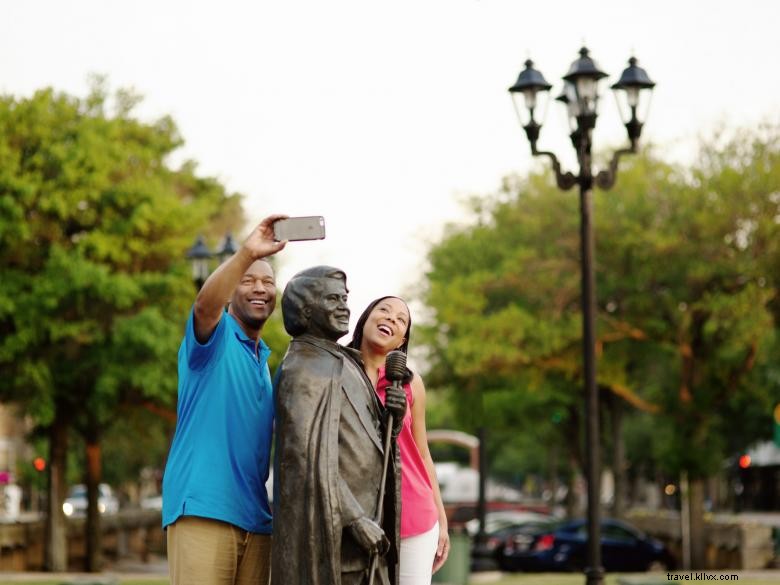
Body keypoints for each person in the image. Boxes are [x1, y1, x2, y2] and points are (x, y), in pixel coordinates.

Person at [162, 214, 287, 585]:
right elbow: (204, 306)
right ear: (232, 289)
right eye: (247, 280)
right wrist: (247, 254)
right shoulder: (213, 340)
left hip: (256, 519)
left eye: (267, 281)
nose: (259, 288)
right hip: (205, 510)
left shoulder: (264, 361)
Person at [271, 266, 406, 585]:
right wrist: (355, 518)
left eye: (345, 298)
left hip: (367, 540)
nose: (345, 306)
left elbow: (367, 443)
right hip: (338, 538)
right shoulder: (302, 369)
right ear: (306, 310)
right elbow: (304, 459)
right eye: (332, 299)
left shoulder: (345, 363)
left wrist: (393, 422)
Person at [348, 296, 450, 585]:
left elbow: (422, 453)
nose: (391, 318)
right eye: (384, 310)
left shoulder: (410, 383)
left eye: (400, 319)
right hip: (355, 515)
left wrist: (441, 518)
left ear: (402, 339)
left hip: (414, 515)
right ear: (366, 318)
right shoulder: (339, 371)